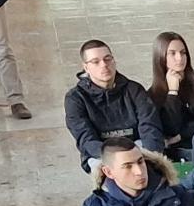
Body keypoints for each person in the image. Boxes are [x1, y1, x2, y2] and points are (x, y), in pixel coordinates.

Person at [66, 41, 165, 170]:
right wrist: (119, 159)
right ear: (86, 67)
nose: (104, 65)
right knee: (113, 176)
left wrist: (152, 158)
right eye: (96, 62)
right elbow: (86, 139)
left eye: (108, 59)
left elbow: (150, 126)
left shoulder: (134, 90)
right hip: (100, 155)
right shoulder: (75, 98)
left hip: (136, 148)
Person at [149, 31, 194, 156]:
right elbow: (170, 128)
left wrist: (181, 136)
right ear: (161, 57)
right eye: (172, 53)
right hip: (176, 153)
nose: (179, 58)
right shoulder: (153, 94)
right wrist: (173, 93)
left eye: (183, 52)